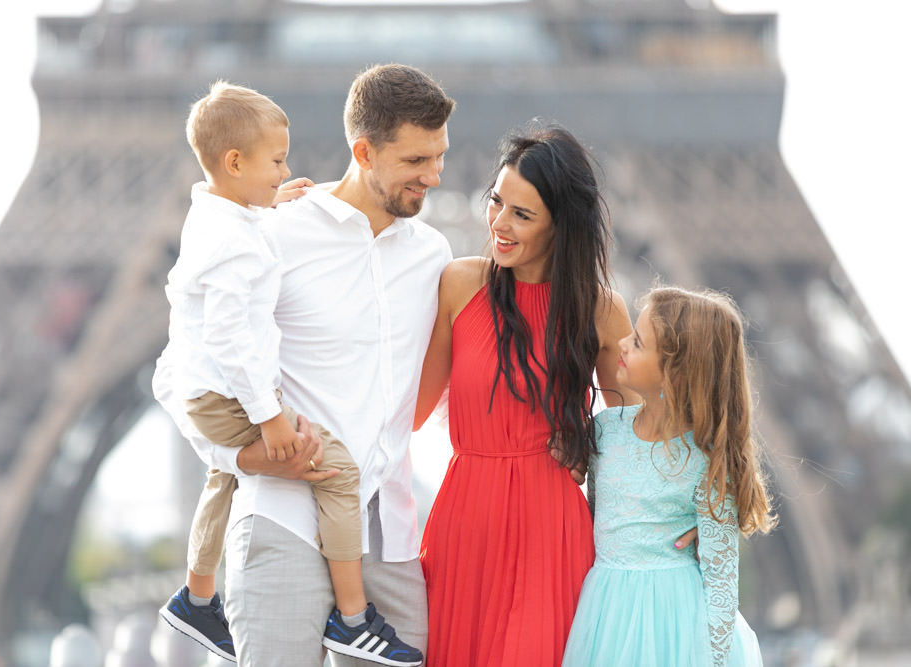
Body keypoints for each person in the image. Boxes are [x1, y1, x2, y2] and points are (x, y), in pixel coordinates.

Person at [154, 64, 455, 666]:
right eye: (417, 161)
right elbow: (179, 371)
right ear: (364, 152)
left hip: (390, 538)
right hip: (282, 521)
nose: (435, 175)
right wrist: (239, 454)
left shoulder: (435, 256)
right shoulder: (273, 232)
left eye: (440, 156)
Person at [413, 123, 639, 667]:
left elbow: (634, 436)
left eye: (522, 214)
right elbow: (410, 413)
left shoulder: (600, 310)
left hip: (551, 530)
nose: (498, 223)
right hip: (464, 525)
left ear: (560, 226)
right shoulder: (457, 285)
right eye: (497, 202)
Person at [561, 286, 776, 666]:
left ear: (675, 373)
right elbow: (594, 520)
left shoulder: (707, 464)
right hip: (604, 613)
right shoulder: (605, 431)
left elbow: (721, 583)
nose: (622, 344)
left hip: (677, 626)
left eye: (638, 342)